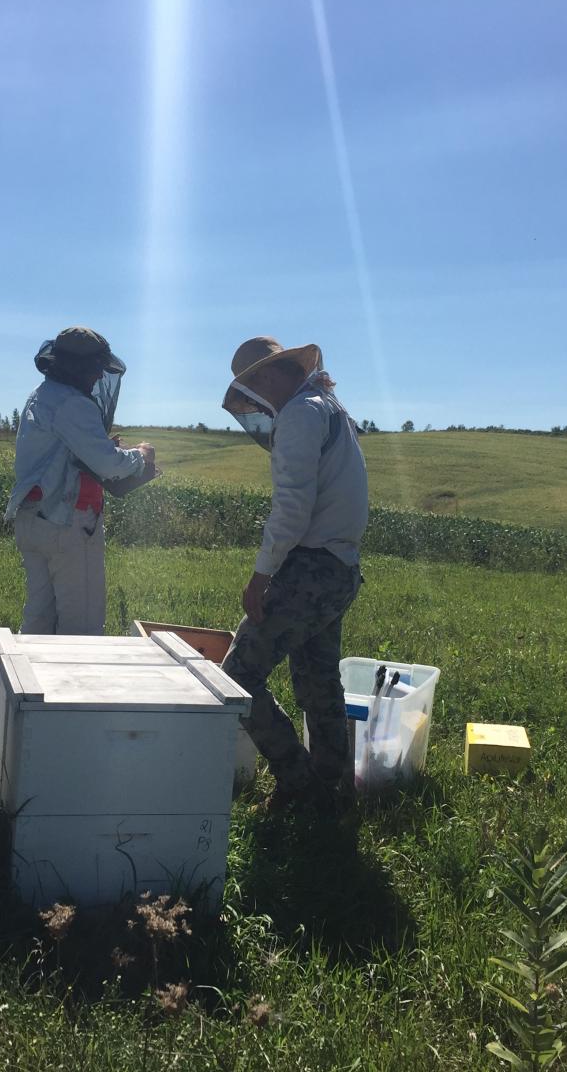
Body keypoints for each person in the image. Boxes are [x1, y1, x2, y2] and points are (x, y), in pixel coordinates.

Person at [218, 336, 369, 812]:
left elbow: (292, 506)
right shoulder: (329, 408)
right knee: (318, 679)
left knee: (238, 678)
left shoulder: (302, 415)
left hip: (309, 567)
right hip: (339, 568)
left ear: (266, 377)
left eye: (255, 385)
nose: (258, 398)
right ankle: (330, 785)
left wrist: (261, 575)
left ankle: (301, 785)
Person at [5, 326, 155, 635]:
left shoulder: (41, 394)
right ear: (79, 367)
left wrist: (104, 447)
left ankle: (26, 682)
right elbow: (108, 466)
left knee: (39, 618)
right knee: (81, 628)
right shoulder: (73, 403)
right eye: (95, 369)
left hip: (33, 521)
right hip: (68, 525)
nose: (100, 377)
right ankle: (67, 685)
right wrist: (141, 455)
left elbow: (64, 451)